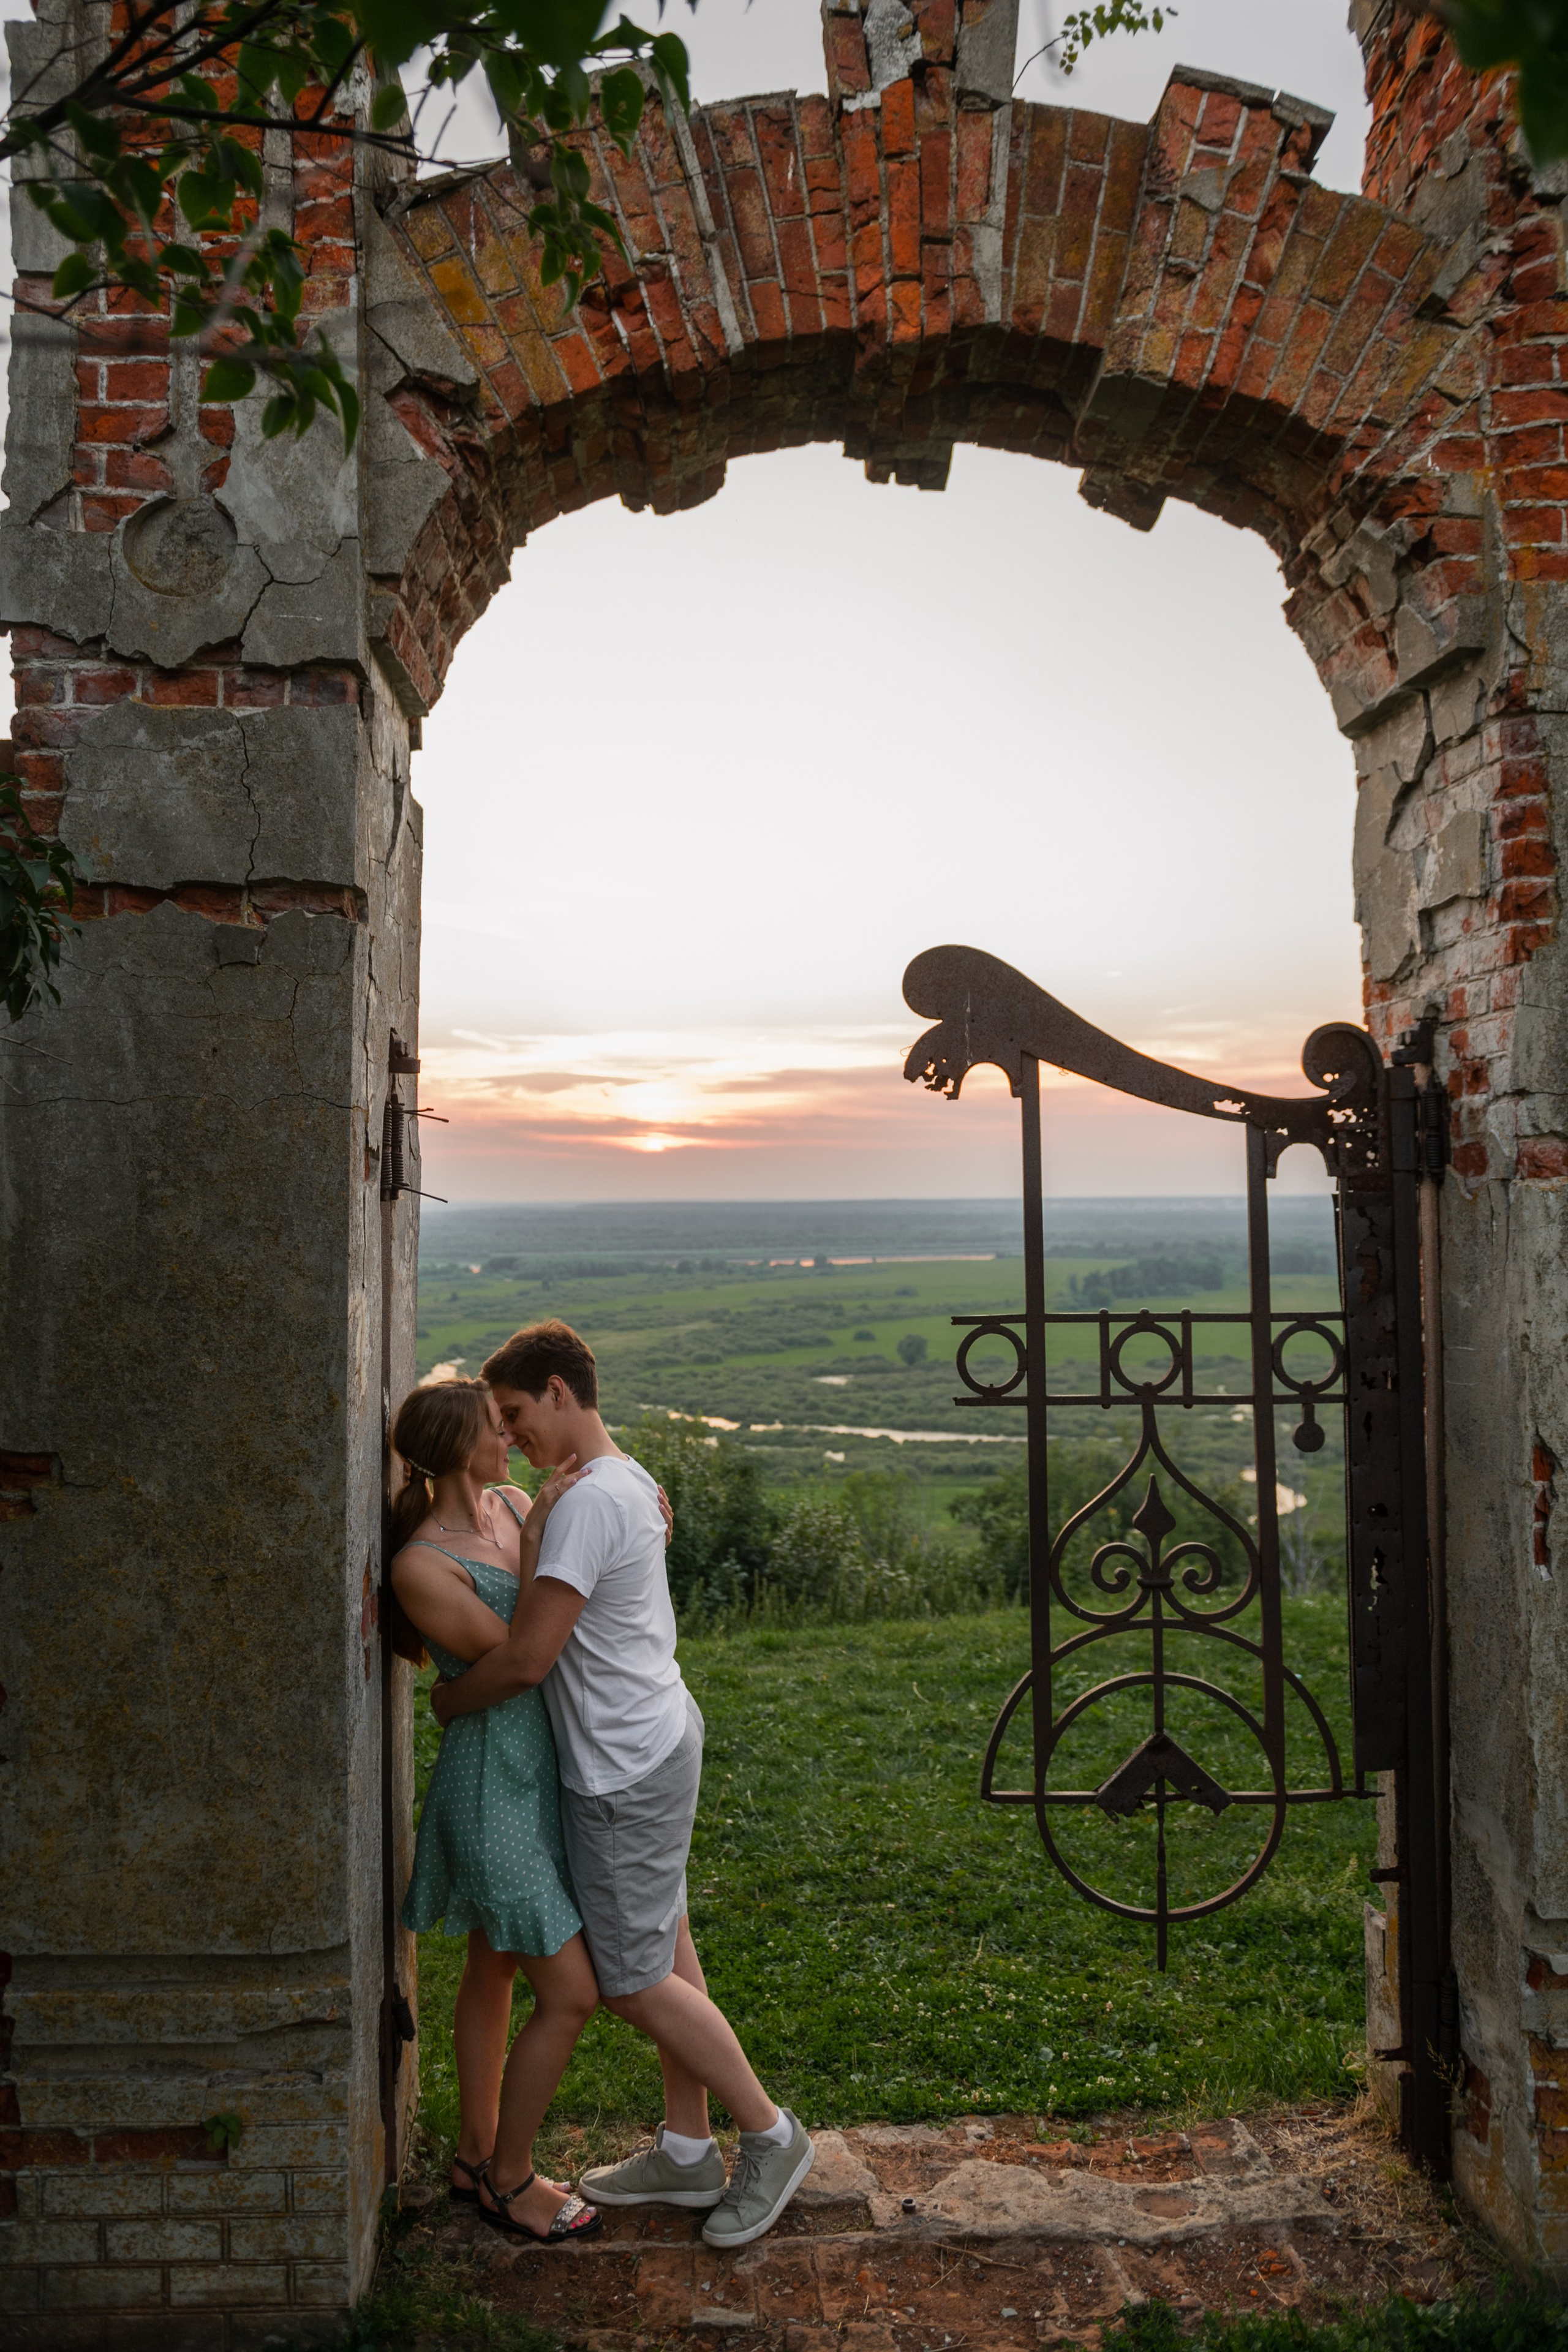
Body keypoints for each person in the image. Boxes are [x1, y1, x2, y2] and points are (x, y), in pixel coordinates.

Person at [430, 1319, 815, 2250]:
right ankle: (688, 2151)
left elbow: (526, 1660)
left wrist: (446, 1704)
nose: (512, 1434)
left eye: (519, 1413)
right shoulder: (618, 1480)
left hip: (620, 1765)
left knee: (635, 1983)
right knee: (669, 1949)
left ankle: (769, 2135)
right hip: (654, 1734)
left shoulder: (597, 1502)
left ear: (561, 1391)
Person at [390, 1376, 603, 2246]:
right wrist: (551, 1532)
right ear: (453, 1448)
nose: (509, 1439)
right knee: (573, 1991)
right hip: (489, 1784)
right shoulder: (422, 1563)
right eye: (494, 1428)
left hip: (540, 1770)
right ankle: (508, 2182)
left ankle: (474, 2153)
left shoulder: (516, 1501)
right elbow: (521, 1658)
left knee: (494, 1969)